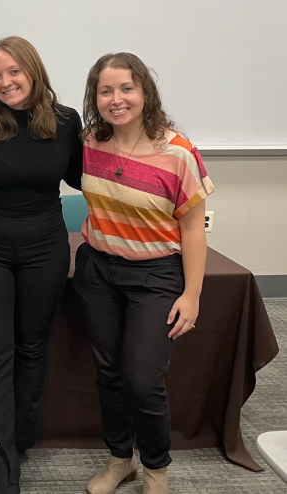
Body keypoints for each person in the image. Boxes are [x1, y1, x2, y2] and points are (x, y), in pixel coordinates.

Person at [74, 53, 214, 494]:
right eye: (106, 91)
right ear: (95, 98)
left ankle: (155, 470)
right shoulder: (89, 141)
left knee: (142, 378)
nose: (117, 99)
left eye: (127, 88)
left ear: (145, 92)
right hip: (98, 270)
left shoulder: (178, 152)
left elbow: (192, 227)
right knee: (109, 373)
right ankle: (121, 461)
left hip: (155, 275)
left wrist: (192, 294)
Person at [0, 36, 82, 493]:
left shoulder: (67, 122)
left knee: (33, 347)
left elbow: (86, 173)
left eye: (14, 72)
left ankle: (20, 440)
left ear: (33, 71)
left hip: (45, 246)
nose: (5, 82)